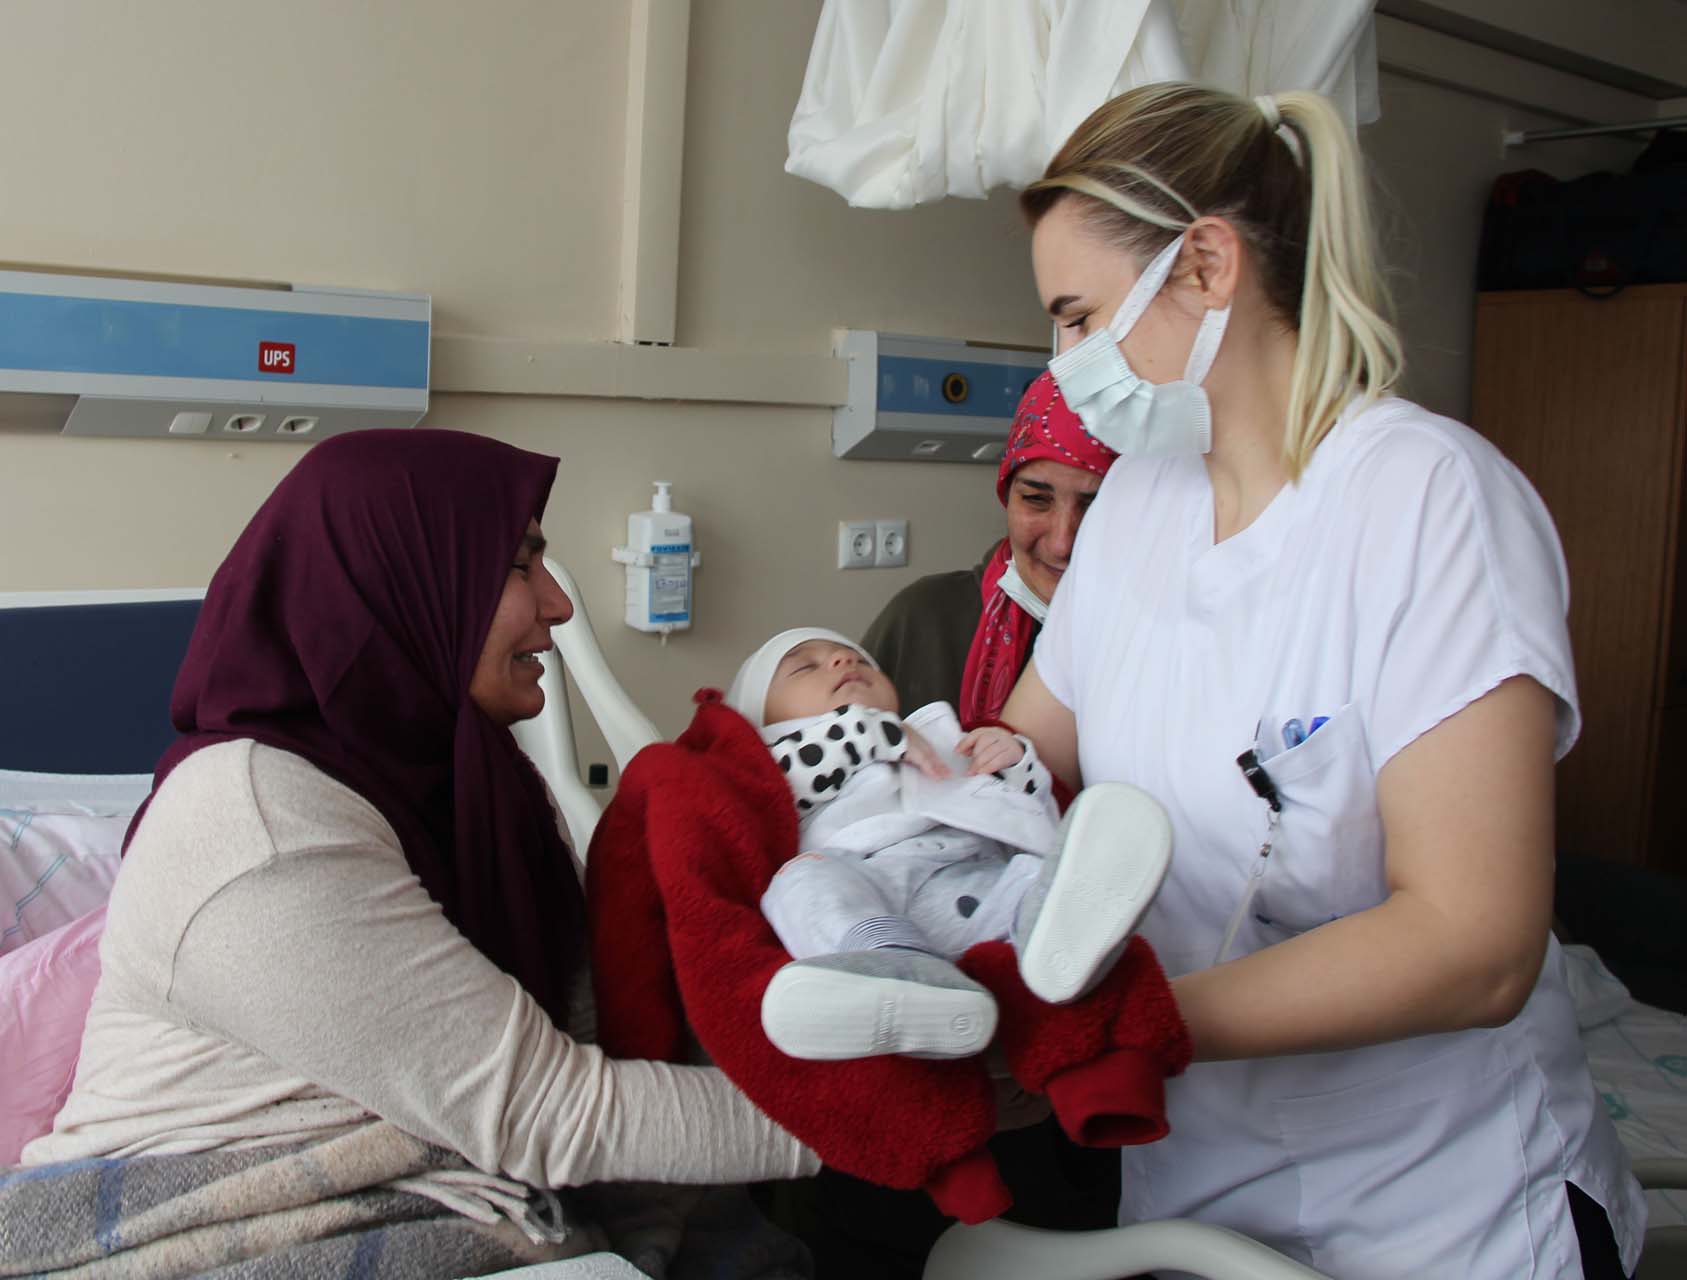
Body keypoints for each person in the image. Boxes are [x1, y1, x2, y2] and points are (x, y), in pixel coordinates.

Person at [1002, 82, 1645, 1277]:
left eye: (1081, 317)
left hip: (1439, 1214)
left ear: (1205, 265)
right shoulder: (1142, 500)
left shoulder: (1427, 501)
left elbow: (1475, 940)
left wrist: (1125, 1025)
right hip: (1193, 1197)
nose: (1067, 363)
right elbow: (1028, 746)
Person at [21, 430, 817, 1274]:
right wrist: (869, 1121)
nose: (558, 604)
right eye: (520, 566)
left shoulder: (477, 787)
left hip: (444, 1173)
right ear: (398, 580)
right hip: (206, 1214)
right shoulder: (257, 823)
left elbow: (597, 1030)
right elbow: (548, 1112)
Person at [723, 628, 1171, 1062]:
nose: (844, 660)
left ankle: (1059, 939)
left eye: (859, 659)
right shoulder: (774, 761)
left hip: (974, 878)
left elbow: (1020, 813)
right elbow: (800, 767)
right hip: (878, 891)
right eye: (805, 667)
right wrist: (875, 732)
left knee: (1031, 874)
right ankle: (889, 969)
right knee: (797, 882)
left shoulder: (940, 737)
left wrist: (1013, 762)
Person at [863, 369, 1117, 725]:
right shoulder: (924, 621)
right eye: (1035, 499)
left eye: (1095, 506)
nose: (1062, 543)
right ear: (1007, 496)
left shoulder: (1169, 643)